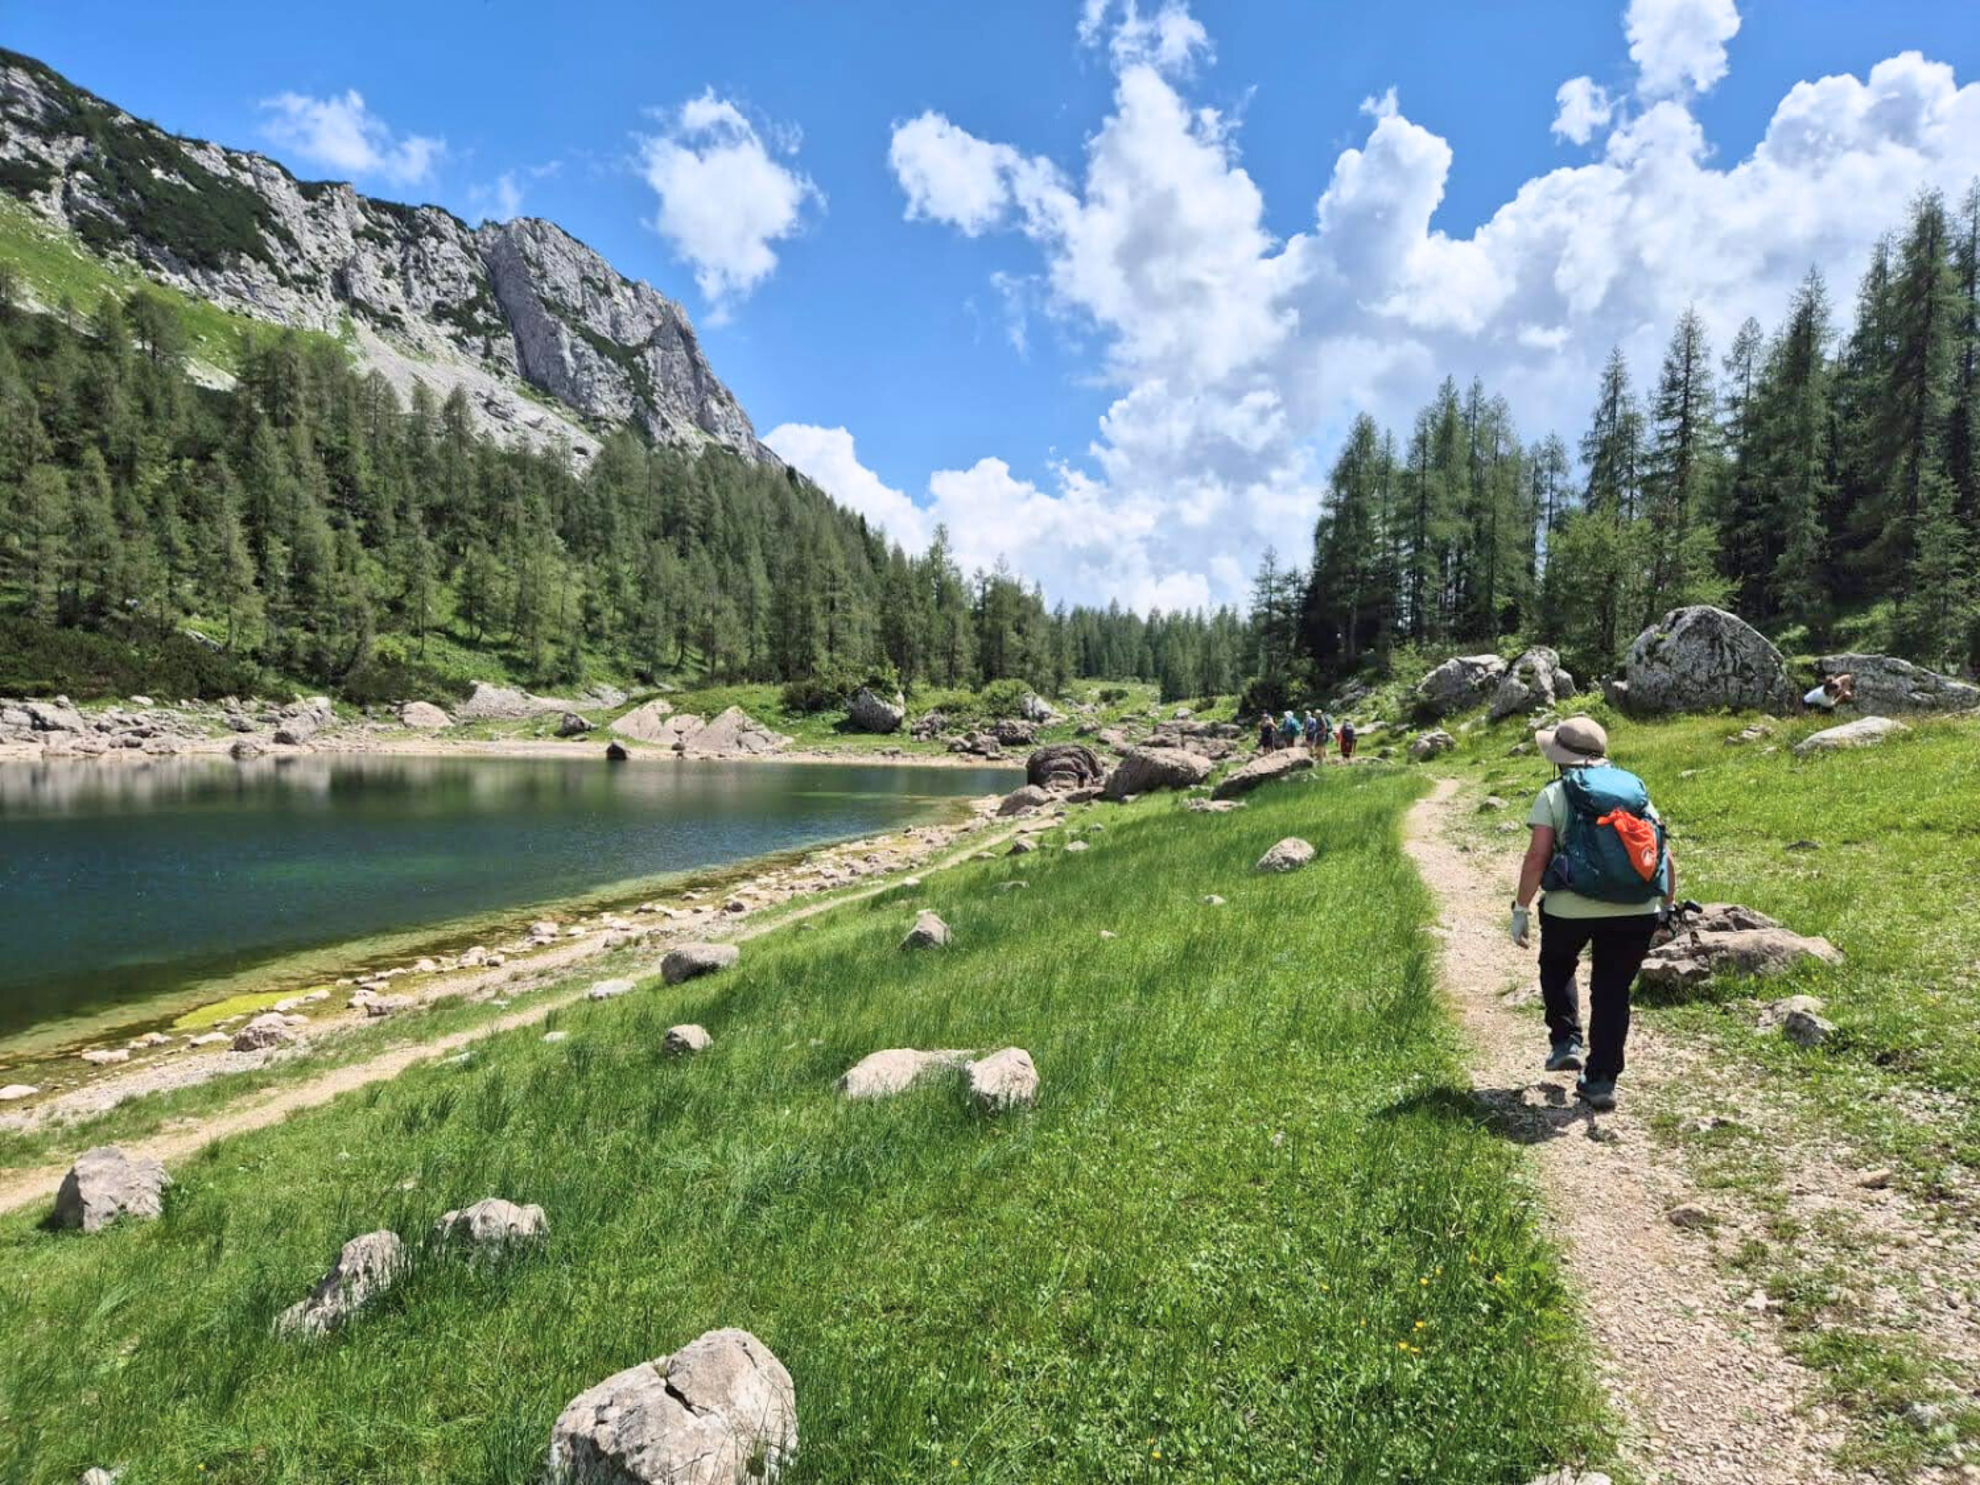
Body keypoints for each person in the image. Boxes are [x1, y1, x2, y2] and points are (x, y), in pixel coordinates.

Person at [1509, 715, 1678, 1111]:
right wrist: (1666, 906)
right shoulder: (1636, 791)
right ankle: (1601, 1080)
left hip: (1569, 908)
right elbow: (1662, 850)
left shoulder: (1554, 793)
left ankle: (1566, 1040)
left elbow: (1537, 856)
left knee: (1557, 964)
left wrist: (1521, 908)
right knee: (1613, 990)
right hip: (1636, 908)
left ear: (1560, 756)